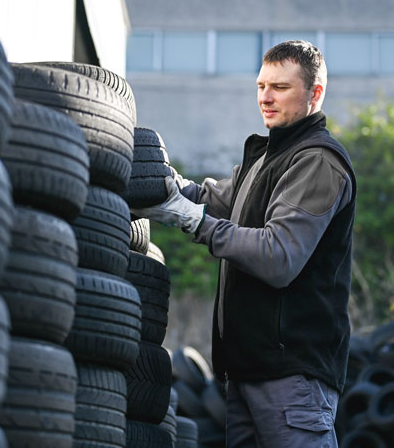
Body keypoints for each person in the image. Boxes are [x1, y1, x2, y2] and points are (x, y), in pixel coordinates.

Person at [133, 40, 356, 447]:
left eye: (281, 88)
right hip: (246, 373)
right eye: (261, 86)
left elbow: (278, 256)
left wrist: (192, 220)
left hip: (293, 379)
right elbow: (210, 200)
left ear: (315, 93)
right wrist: (157, 179)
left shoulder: (319, 162)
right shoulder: (265, 157)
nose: (266, 98)